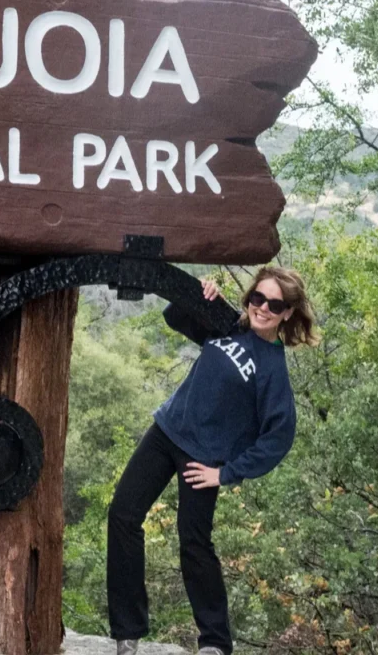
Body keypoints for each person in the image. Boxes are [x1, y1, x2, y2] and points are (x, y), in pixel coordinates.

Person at [107, 267, 319, 655]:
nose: (263, 308)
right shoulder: (228, 323)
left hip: (202, 460)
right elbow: (174, 317)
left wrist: (226, 473)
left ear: (288, 313)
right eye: (258, 298)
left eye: (275, 304)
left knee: (194, 543)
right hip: (166, 431)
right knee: (123, 515)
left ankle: (216, 643)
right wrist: (199, 294)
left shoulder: (273, 370)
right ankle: (127, 633)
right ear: (250, 297)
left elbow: (279, 437)